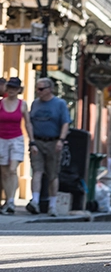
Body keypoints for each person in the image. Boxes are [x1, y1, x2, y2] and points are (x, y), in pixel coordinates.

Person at [27, 77, 70, 216]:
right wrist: (32, 141)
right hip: (38, 141)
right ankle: (35, 201)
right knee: (37, 170)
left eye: (41, 89)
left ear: (50, 89)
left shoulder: (60, 104)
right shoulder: (35, 103)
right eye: (37, 88)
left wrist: (61, 140)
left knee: (52, 174)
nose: (38, 91)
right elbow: (29, 123)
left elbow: (65, 123)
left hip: (53, 141)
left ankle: (52, 205)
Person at [1, 77, 31, 214]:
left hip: (16, 139)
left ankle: (12, 201)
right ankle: (8, 200)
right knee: (4, 172)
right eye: (10, 87)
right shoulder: (1, 103)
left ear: (19, 90)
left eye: (15, 88)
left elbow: (28, 123)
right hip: (1, 139)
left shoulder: (22, 104)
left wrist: (32, 141)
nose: (12, 90)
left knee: (12, 170)